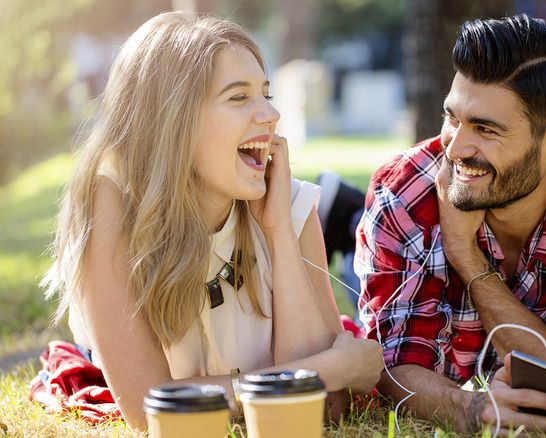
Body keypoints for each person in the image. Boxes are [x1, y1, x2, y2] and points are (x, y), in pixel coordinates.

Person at [41, 11, 383, 431]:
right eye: (239, 98)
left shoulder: (290, 206)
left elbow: (327, 410)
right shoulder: (109, 206)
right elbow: (150, 412)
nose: (270, 115)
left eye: (266, 94)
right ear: (172, 121)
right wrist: (327, 370)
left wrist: (278, 232)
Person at [355, 14, 546, 436]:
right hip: (395, 249)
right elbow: (391, 367)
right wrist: (471, 408)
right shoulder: (404, 192)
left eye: (485, 129)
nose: (457, 147)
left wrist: (466, 255)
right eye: (452, 118)